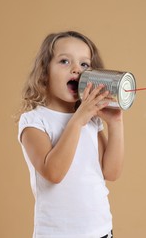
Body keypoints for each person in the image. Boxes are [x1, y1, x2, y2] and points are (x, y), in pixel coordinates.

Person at [17, 31, 124, 238]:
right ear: (44, 73)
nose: (76, 69)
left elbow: (110, 172)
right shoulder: (34, 121)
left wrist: (115, 123)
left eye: (84, 64)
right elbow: (54, 173)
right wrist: (77, 120)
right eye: (64, 61)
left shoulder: (90, 119)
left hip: (100, 231)